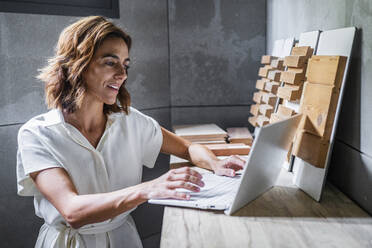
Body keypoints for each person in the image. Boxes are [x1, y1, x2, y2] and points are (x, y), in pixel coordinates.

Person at [16, 16, 245, 248]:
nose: (122, 74)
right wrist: (150, 188)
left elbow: (187, 147)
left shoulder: (131, 121)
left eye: (125, 65)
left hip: (123, 240)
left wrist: (216, 163)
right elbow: (73, 211)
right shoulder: (37, 134)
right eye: (110, 62)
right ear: (77, 64)